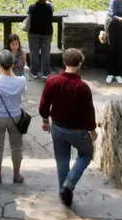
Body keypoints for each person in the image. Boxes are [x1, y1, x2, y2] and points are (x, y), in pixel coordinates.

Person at [39, 48, 98, 207]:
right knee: (86, 155)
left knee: (62, 159)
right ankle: (68, 185)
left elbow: (44, 105)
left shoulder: (52, 81)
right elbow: (88, 113)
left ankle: (64, 193)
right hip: (77, 130)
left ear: (64, 62)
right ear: (79, 64)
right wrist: (92, 131)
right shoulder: (82, 87)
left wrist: (45, 121)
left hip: (57, 128)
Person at [0, 50, 27, 184]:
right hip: (15, 116)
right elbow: (24, 92)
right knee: (16, 146)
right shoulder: (21, 81)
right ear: (13, 64)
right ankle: (16, 174)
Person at [26, 0, 54, 80]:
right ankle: (46, 73)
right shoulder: (50, 7)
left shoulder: (31, 7)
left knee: (34, 52)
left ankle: (34, 72)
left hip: (33, 32)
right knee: (46, 53)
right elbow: (52, 9)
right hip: (47, 33)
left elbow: (27, 13)